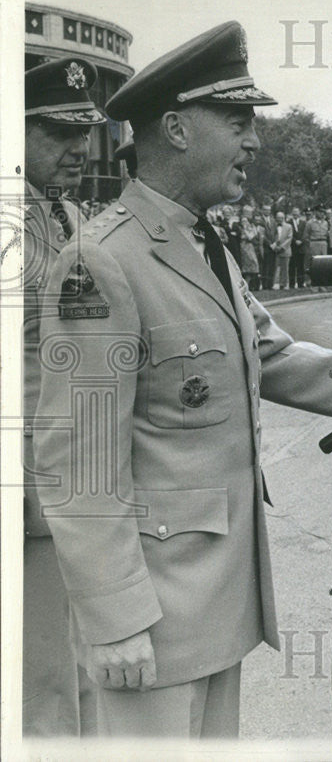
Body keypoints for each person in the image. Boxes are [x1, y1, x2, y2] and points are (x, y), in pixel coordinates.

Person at [31, 22, 332, 740]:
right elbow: (77, 457)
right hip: (149, 614)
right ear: (174, 128)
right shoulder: (101, 262)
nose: (254, 142)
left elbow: (272, 353)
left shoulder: (202, 243)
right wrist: (113, 618)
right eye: (237, 122)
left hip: (215, 602)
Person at [22, 56, 106, 739]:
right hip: (23, 483)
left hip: (80, 473)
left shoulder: (72, 214)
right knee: (39, 681)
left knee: (86, 670)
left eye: (84, 132)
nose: (79, 149)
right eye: (57, 133)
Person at [305, 208, 330, 285]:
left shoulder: (326, 223)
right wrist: (310, 245)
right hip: (314, 243)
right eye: (319, 212)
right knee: (315, 264)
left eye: (323, 212)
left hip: (323, 243)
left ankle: (322, 282)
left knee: (324, 264)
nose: (321, 214)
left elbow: (328, 234)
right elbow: (306, 235)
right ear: (316, 212)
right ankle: (314, 282)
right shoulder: (310, 223)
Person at [240, 212, 262, 290]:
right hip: (242, 248)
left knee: (252, 266)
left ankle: (251, 285)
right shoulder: (240, 228)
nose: (244, 223)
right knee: (245, 268)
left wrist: (248, 228)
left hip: (249, 247)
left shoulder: (249, 228)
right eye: (242, 221)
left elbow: (251, 236)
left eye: (245, 221)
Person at [288, 206, 307, 288]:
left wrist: (301, 241)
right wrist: (295, 241)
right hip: (292, 246)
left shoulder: (304, 223)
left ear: (299, 213)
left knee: (301, 266)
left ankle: (301, 283)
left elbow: (305, 233)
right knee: (292, 266)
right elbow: (288, 234)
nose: (295, 214)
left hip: (301, 247)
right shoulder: (288, 222)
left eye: (297, 212)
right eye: (294, 213)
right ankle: (291, 283)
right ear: (292, 214)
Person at [273, 210, 292, 289]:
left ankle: (283, 284)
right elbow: (271, 236)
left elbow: (289, 238)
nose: (279, 219)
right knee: (274, 268)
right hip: (274, 250)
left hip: (285, 250)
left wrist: (281, 247)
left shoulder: (288, 226)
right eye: (278, 217)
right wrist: (275, 246)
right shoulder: (273, 226)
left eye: (281, 217)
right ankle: (273, 284)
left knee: (285, 269)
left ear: (283, 218)